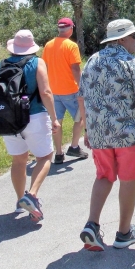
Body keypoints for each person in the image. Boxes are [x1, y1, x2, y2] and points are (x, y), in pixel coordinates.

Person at [78, 19, 135, 251]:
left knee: (104, 176)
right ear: (122, 39)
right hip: (127, 135)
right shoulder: (132, 63)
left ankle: (92, 224)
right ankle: (124, 233)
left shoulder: (92, 61)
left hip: (99, 135)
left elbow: (81, 97)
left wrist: (87, 128)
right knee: (127, 178)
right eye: (134, 36)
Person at [0, 30, 61, 221]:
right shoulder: (37, 63)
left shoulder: (2, 64)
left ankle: (19, 201)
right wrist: (54, 118)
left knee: (18, 160)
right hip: (34, 116)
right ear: (32, 47)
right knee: (45, 156)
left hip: (9, 118)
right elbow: (46, 92)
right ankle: (31, 195)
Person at [42, 17, 87, 164]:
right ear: (71, 29)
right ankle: (74, 146)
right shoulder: (71, 45)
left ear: (59, 29)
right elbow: (75, 68)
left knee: (56, 121)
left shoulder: (48, 45)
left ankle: (59, 153)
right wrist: (82, 86)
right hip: (71, 90)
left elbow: (44, 67)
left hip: (53, 90)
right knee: (80, 118)